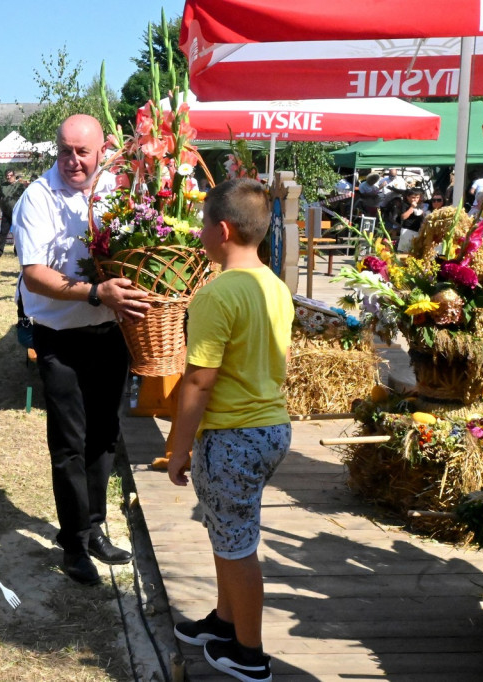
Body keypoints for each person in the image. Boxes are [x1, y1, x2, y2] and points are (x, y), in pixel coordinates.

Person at [167, 177, 294, 682]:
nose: (199, 232)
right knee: (229, 532)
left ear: (221, 230)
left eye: (201, 224)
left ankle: (249, 652)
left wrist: (178, 449)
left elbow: (198, 381)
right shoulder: (274, 285)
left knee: (238, 547)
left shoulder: (217, 294)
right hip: (269, 429)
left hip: (233, 436)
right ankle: (225, 621)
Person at [15, 114, 149, 585]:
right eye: (66, 150)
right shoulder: (38, 197)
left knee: (105, 435)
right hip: (60, 337)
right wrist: (94, 293)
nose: (73, 161)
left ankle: (92, 527)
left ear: (102, 150)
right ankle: (72, 542)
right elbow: (34, 273)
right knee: (69, 444)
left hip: (109, 333)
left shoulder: (116, 190)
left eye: (83, 152)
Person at [0, 170, 25, 256]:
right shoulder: (2, 186)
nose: (8, 177)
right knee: (3, 232)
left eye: (10, 175)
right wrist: (2, 207)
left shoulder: (20, 186)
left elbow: (24, 198)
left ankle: (17, 251)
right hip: (6, 212)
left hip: (18, 213)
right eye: (7, 175)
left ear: (14, 175)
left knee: (18, 232)